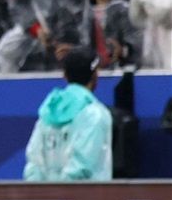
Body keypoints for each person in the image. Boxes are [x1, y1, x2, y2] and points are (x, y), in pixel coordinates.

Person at [24, 48, 113, 181]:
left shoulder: (48, 111)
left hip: (47, 193)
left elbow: (34, 163)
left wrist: (40, 192)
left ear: (65, 75)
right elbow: (82, 166)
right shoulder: (95, 114)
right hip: (87, 194)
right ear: (95, 75)